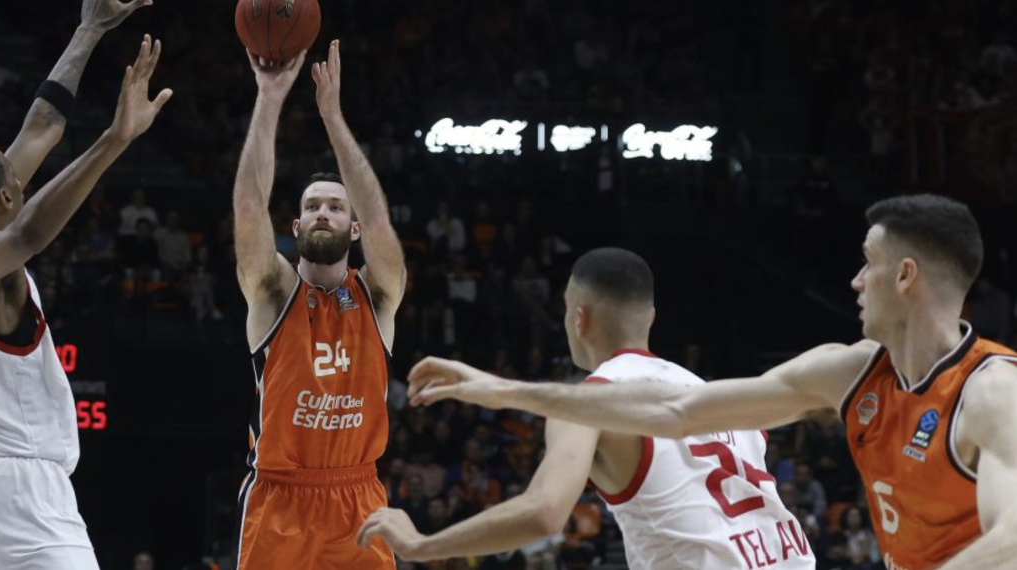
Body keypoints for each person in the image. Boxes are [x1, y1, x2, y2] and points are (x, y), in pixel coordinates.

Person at [403, 195, 1017, 570]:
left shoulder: (993, 391)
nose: (856, 280)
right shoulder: (850, 370)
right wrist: (498, 389)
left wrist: (425, 547)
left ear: (906, 275)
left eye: (869, 263)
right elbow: (675, 410)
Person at [358, 248, 815, 570]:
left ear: (578, 318)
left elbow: (543, 512)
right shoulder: (712, 394)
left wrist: (422, 544)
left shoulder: (587, 403)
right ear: (650, 318)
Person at [0, 1, 172, 566]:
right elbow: (29, 235)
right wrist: (115, 139)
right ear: (5, 195)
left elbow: (43, 126)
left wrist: (90, 30)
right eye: (12, 172)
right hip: (16, 491)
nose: (19, 168)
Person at [231, 40, 406, 570]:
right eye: (312, 207)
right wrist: (270, 96)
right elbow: (247, 206)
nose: (323, 213)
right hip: (280, 498)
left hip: (358, 497)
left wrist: (332, 117)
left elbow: (380, 222)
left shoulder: (378, 294)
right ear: (296, 226)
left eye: (335, 206)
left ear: (351, 228)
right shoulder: (272, 291)